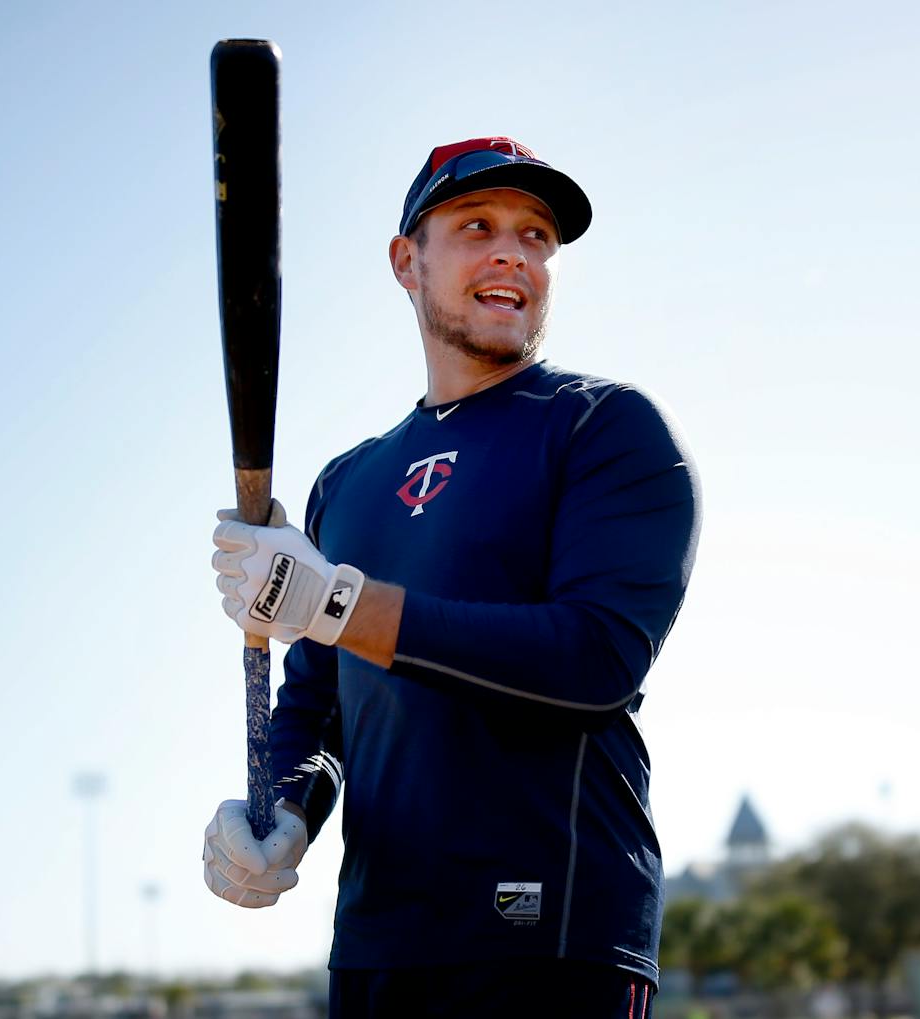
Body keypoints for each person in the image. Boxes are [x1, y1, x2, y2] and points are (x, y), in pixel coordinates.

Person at [203, 136, 702, 1018]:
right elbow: (320, 703)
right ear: (408, 260)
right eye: (478, 225)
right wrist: (284, 810)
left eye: (537, 234)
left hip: (552, 937)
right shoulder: (347, 482)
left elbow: (592, 658)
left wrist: (337, 603)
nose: (515, 251)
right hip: (378, 941)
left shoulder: (606, 429)